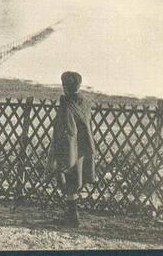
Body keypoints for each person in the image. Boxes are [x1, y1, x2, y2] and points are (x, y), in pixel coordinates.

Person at [46, 71, 96, 227]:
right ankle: (72, 216)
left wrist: (56, 153)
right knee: (75, 182)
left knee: (68, 182)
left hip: (69, 149)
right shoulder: (85, 103)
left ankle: (72, 217)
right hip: (82, 148)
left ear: (65, 87)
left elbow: (62, 130)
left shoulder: (66, 105)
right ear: (79, 86)